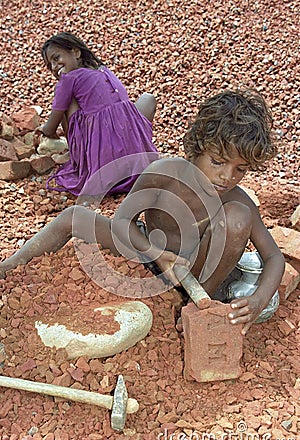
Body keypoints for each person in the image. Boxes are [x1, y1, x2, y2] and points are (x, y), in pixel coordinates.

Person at [0, 89, 285, 335]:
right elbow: (124, 220)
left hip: (195, 276)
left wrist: (259, 299)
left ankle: (198, 306)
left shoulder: (236, 199)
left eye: (240, 169)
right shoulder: (163, 174)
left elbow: (273, 257)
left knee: (239, 217)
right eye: (218, 161)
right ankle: (8, 267)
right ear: (198, 147)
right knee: (74, 217)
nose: (227, 176)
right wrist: (156, 254)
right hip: (148, 254)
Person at [35, 32, 159, 197]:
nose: (55, 66)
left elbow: (51, 127)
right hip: (138, 162)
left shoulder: (68, 79)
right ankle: (135, 146)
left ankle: (77, 157)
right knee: (147, 98)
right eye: (50, 65)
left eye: (56, 58)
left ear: (76, 52)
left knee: (67, 101)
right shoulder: (103, 70)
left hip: (103, 166)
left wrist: (45, 131)